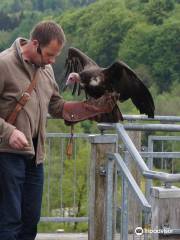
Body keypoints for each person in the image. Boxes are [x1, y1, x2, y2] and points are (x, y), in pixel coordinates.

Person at [0, 21, 117, 240]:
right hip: (6, 155)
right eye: (49, 55)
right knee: (9, 221)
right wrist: (8, 132)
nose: (53, 61)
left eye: (55, 56)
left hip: (35, 157)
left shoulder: (46, 70)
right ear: (35, 44)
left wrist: (87, 109)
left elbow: (55, 105)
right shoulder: (4, 64)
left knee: (30, 221)